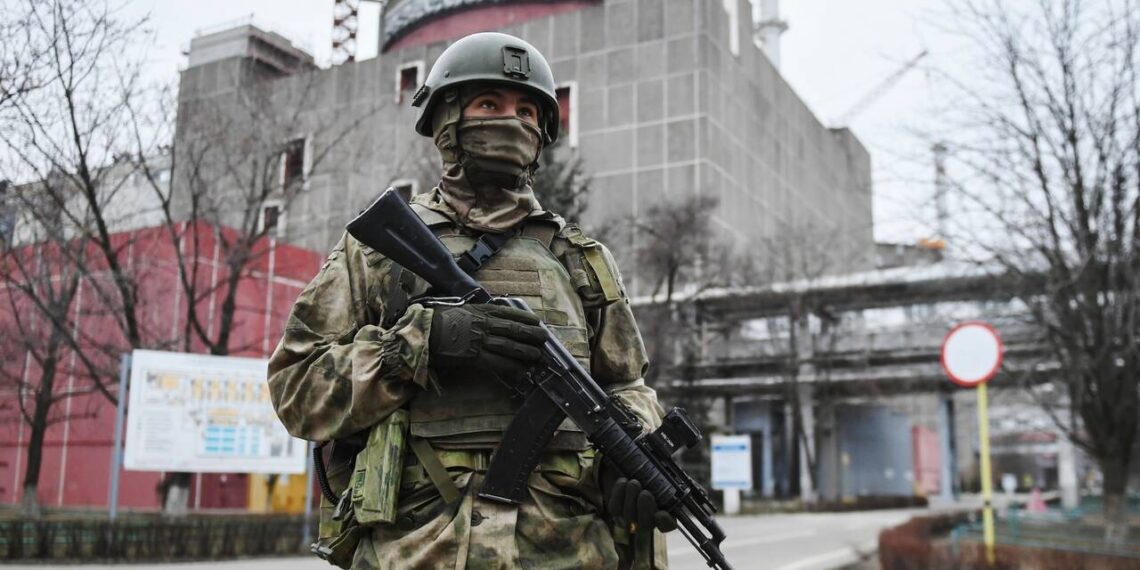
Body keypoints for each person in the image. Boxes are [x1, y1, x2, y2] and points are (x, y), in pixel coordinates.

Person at [268, 32, 671, 569]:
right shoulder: (379, 251)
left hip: (566, 552)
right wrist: (418, 345)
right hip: (417, 548)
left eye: (528, 110)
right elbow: (296, 389)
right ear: (446, 120)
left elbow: (628, 385)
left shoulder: (582, 260)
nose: (513, 121)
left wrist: (633, 450)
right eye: (490, 104)